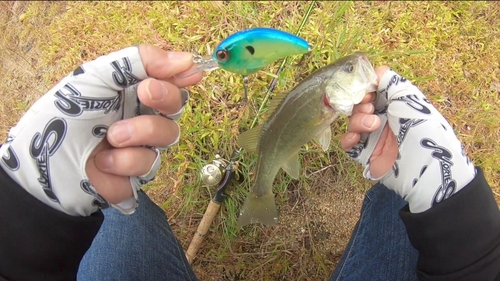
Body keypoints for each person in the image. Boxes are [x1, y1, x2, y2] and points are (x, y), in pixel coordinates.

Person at [0, 45, 498, 281]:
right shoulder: (324, 102)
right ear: (332, 93)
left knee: (117, 220)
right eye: (350, 72)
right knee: (396, 207)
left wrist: (25, 214)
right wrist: (460, 223)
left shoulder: (329, 105)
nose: (359, 69)